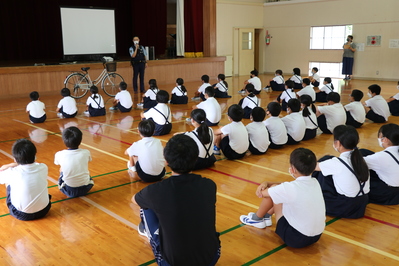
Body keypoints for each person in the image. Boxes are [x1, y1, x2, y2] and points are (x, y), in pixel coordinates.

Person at [132, 134, 221, 266]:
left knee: (145, 206)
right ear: (196, 159)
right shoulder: (209, 185)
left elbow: (134, 199)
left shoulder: (156, 190)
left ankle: (149, 231)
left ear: (166, 161)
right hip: (211, 258)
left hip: (173, 263)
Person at [239, 148, 325, 248]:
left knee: (275, 191)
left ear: (292, 169)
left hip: (295, 238)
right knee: (278, 190)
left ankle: (257, 218)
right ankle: (266, 216)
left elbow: (264, 194)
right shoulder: (315, 181)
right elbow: (285, 186)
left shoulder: (290, 188)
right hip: (316, 236)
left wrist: (263, 185)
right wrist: (268, 182)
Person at [313, 125, 370, 218]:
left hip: (344, 207)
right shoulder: (360, 159)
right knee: (327, 162)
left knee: (322, 169)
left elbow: (312, 167)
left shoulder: (336, 163)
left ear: (338, 143)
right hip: (362, 204)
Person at [0, 139, 51, 221]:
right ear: (34, 155)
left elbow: (2, 172)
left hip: (21, 214)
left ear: (15, 159)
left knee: (8, 181)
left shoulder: (11, 172)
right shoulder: (43, 167)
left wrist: (9, 165)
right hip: (44, 210)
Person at [360, 123, 399, 205]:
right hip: (396, 191)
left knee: (357, 170)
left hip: (387, 195)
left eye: (380, 136)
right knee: (363, 152)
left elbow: (355, 164)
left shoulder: (381, 157)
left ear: (385, 140)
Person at [54, 126, 94, 197]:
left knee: (62, 169)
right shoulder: (86, 152)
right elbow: (89, 160)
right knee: (83, 169)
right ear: (80, 140)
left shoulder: (59, 154)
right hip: (87, 187)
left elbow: (57, 163)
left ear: (64, 140)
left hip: (69, 190)